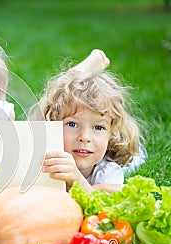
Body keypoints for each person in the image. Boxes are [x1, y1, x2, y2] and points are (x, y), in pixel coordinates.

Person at [29, 50, 145, 193]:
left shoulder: (107, 171)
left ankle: (76, 74)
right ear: (52, 124)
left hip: (133, 157)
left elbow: (101, 203)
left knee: (136, 158)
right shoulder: (44, 158)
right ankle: (76, 74)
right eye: (72, 124)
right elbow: (34, 125)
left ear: (111, 133)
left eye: (98, 127)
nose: (85, 137)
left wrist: (76, 179)